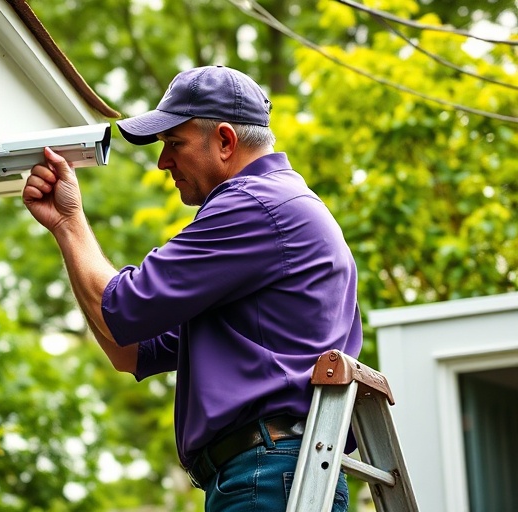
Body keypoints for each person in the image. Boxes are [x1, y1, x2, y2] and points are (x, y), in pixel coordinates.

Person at [22, 65, 361, 511]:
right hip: (275, 473)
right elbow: (130, 350)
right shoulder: (278, 214)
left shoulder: (253, 205)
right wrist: (67, 229)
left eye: (174, 144)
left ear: (224, 141)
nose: (163, 162)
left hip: (268, 474)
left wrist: (70, 221)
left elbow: (120, 310)